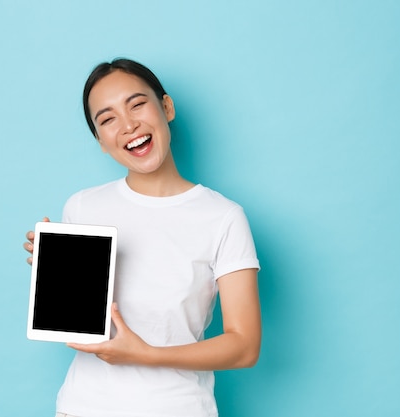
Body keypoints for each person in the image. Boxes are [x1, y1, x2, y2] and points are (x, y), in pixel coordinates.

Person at [23, 58, 261, 417]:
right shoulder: (83, 206)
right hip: (82, 407)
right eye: (107, 119)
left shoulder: (223, 217)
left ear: (166, 107)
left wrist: (147, 355)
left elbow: (244, 346)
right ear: (101, 142)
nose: (128, 124)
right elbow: (79, 322)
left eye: (137, 104)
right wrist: (55, 277)